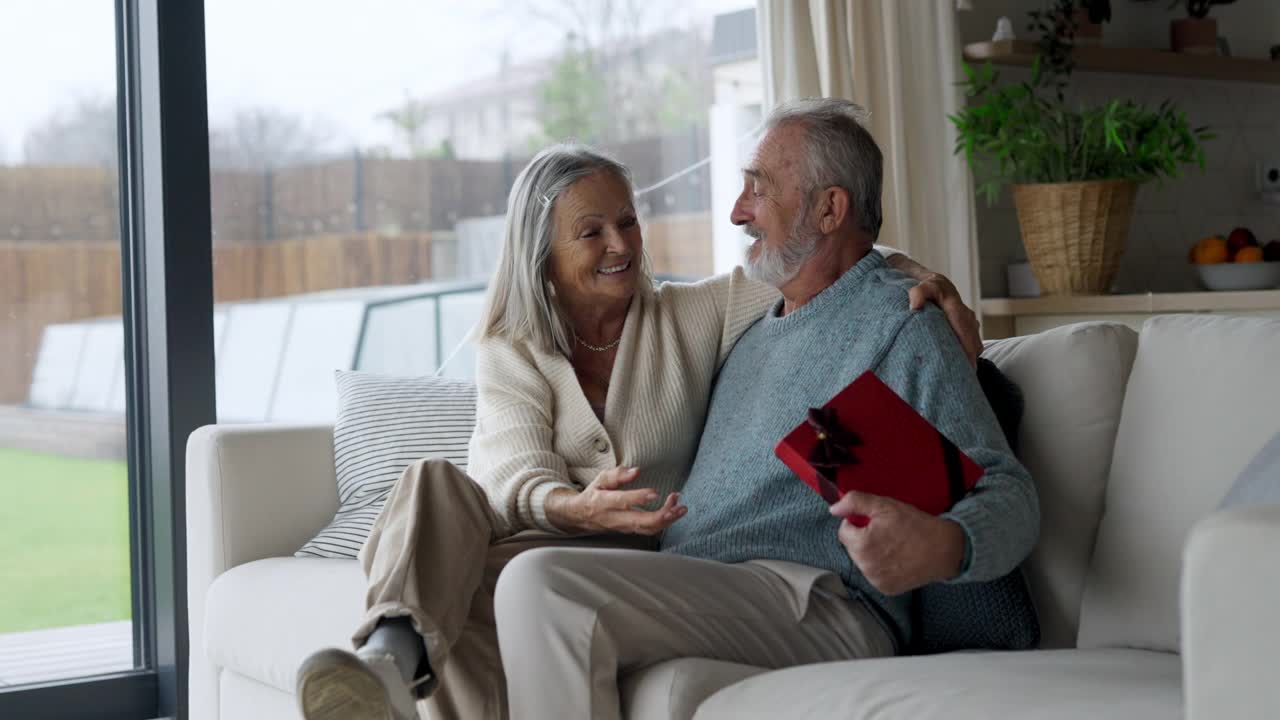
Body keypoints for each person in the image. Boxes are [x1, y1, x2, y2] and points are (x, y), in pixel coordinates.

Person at [295, 138, 982, 720]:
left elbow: (819, 252)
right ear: (542, 252)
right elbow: (508, 476)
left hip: (650, 562)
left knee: (472, 588)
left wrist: (915, 274)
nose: (620, 244)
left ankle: (394, 664)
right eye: (592, 231)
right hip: (541, 538)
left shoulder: (694, 313)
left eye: (627, 221)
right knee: (430, 487)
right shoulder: (511, 346)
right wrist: (572, 505)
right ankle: (388, 655)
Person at [492, 98, 1040, 720]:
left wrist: (945, 545)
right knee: (494, 585)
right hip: (714, 593)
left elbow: (1009, 493)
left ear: (830, 208)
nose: (736, 211)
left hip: (821, 601)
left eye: (758, 188)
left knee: (542, 587)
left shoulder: (900, 325)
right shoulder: (752, 330)